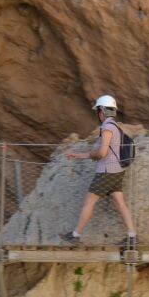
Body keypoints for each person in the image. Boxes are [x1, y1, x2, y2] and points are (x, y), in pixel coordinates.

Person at [61, 95, 137, 246]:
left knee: (89, 202)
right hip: (117, 171)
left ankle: (75, 236)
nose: (98, 114)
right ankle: (132, 237)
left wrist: (89, 156)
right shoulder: (115, 126)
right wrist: (78, 155)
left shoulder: (107, 127)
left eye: (98, 111)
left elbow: (102, 153)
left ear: (102, 111)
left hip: (107, 172)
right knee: (120, 203)